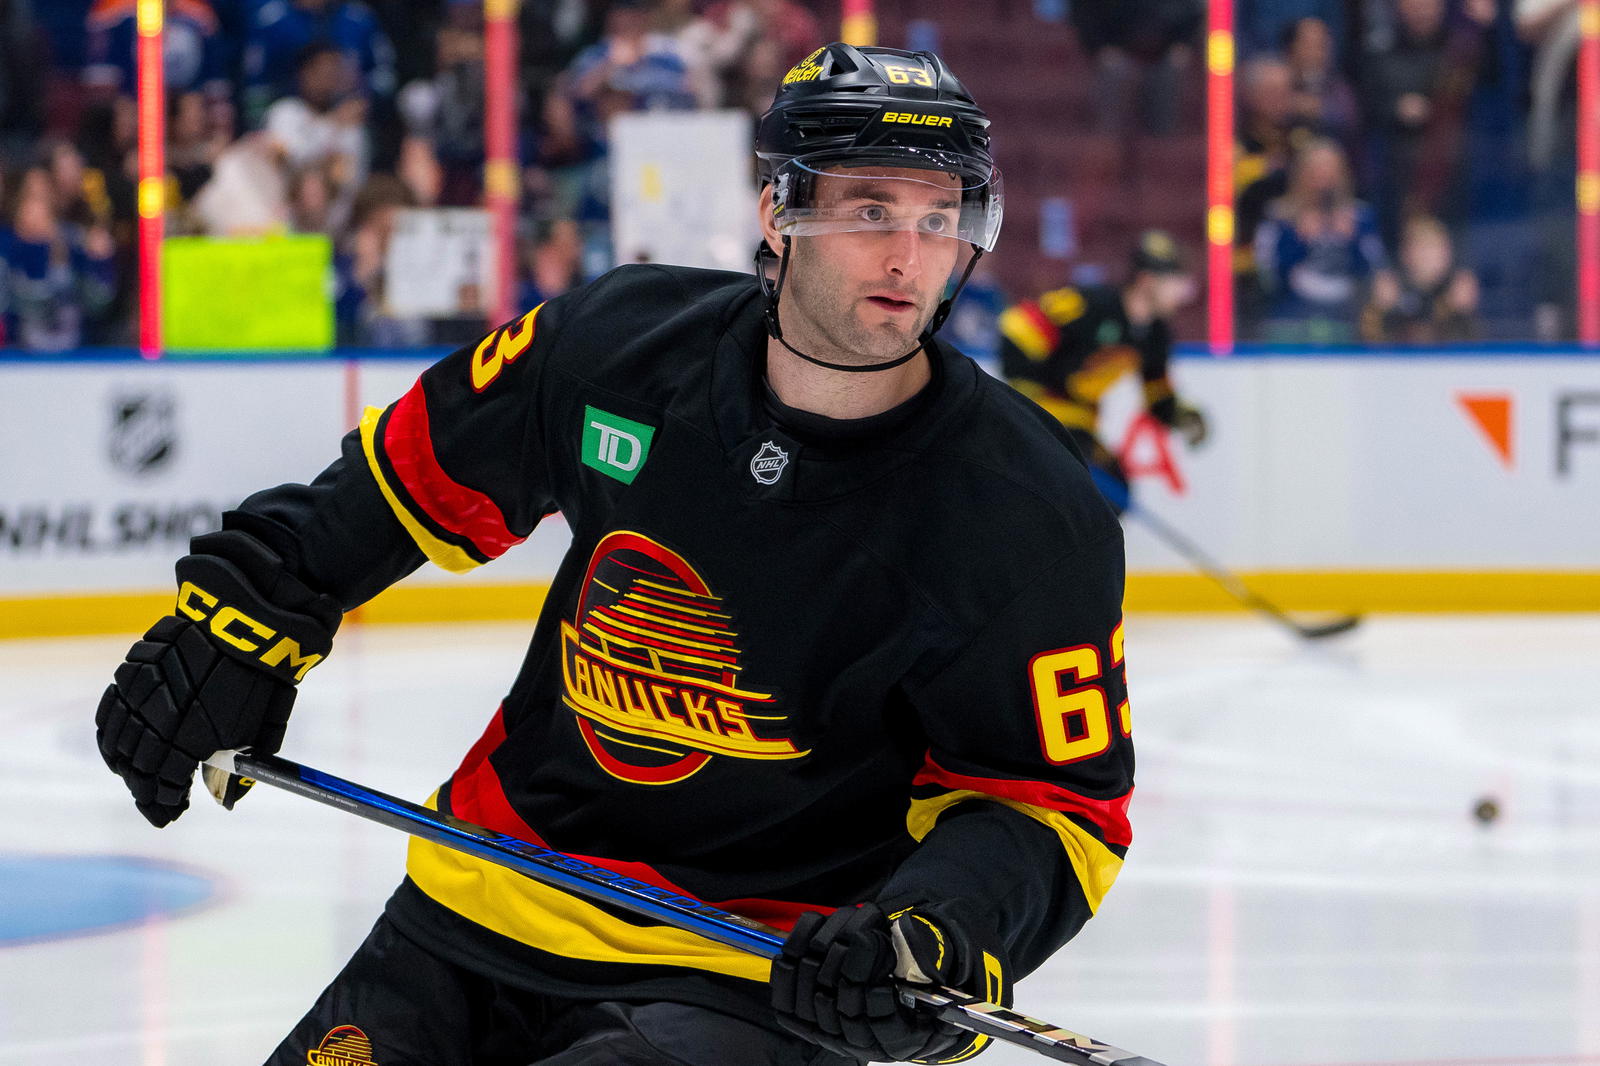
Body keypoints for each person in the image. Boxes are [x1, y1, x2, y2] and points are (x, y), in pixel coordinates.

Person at [94, 43, 1135, 1065]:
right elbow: (399, 479)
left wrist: (931, 931)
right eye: (868, 210)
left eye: (937, 217)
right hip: (487, 897)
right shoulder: (616, 346)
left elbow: (1053, 807)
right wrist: (247, 615)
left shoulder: (1026, 509)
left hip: (753, 978)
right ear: (777, 209)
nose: (910, 256)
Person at [998, 229, 1207, 513]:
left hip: (1080, 424)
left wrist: (1181, 416)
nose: (1183, 293)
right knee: (1089, 495)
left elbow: (1156, 390)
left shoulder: (1155, 334)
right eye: (1176, 281)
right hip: (1043, 417)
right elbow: (1017, 327)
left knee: (1116, 493)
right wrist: (1025, 393)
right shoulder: (1090, 305)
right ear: (1147, 280)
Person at [1253, 136, 1388, 343]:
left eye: (1330, 169)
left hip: (1348, 318)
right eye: (1315, 169)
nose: (1323, 178)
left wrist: (1353, 240)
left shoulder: (1360, 217)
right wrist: (1296, 240)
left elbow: (1375, 274)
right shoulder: (1278, 218)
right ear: (1301, 174)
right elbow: (1267, 279)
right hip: (1291, 320)